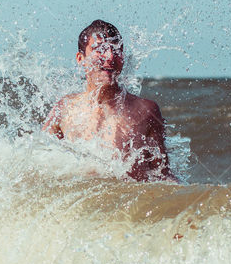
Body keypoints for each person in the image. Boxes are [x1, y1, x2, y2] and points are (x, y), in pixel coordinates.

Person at [43, 20, 177, 182]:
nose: (110, 56)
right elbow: (39, 163)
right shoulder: (65, 108)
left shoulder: (146, 110)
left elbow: (163, 176)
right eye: (100, 49)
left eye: (116, 49)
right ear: (80, 58)